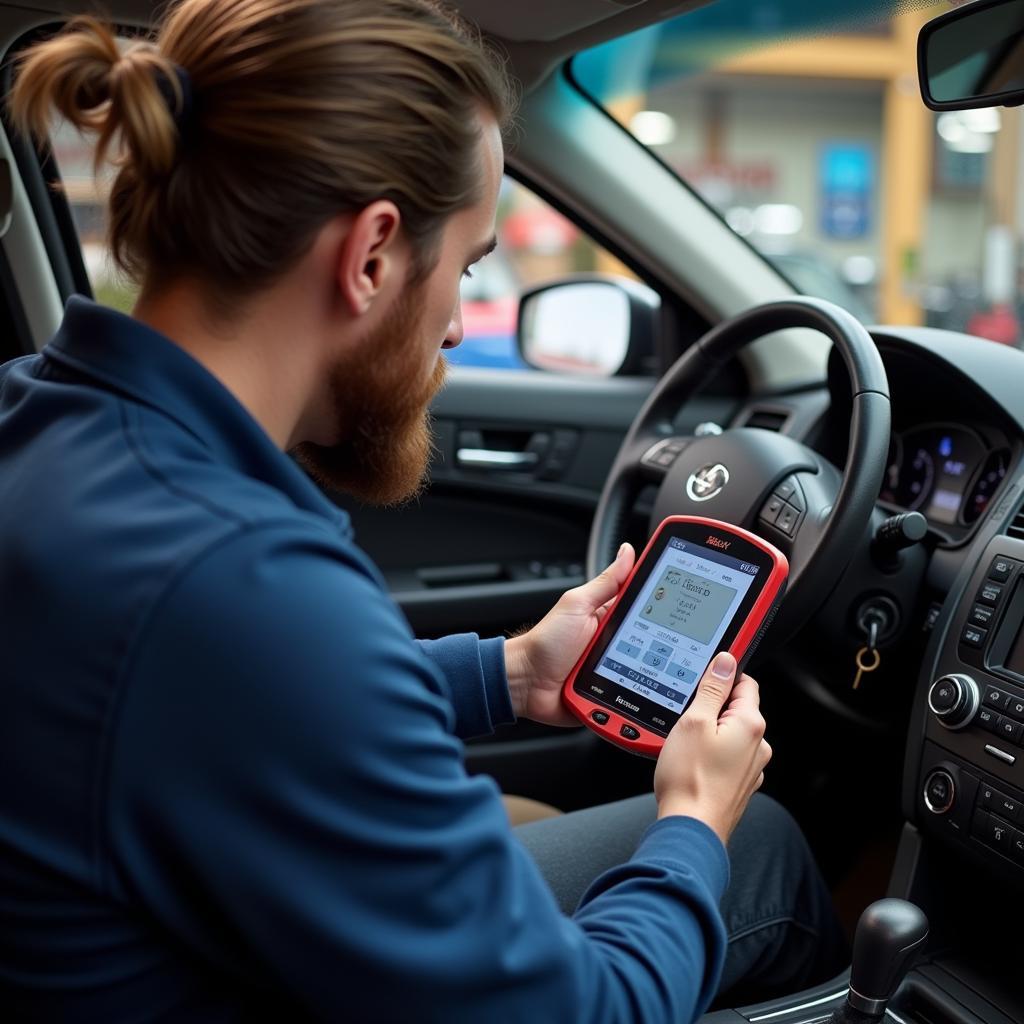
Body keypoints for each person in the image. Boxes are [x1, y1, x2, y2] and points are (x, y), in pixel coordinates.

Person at [0, 1, 846, 1020]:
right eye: (470, 267)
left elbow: (246, 708)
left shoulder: (37, 417)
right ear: (371, 256)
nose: (454, 322)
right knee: (759, 852)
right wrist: (695, 817)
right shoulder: (238, 580)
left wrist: (511, 671)